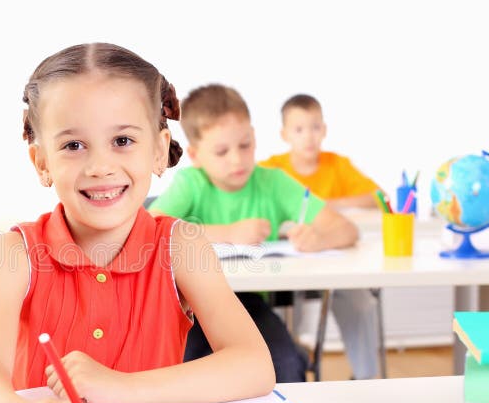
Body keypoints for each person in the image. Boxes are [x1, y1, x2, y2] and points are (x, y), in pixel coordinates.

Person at [0, 44, 275, 403]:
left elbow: (255, 365)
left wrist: (121, 388)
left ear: (160, 150)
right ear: (42, 162)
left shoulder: (181, 247)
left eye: (122, 140)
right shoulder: (13, 254)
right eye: (73, 146)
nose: (100, 166)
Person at [149, 84, 358, 383]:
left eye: (245, 145)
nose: (237, 159)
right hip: (189, 308)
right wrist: (227, 232)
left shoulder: (273, 182)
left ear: (255, 138)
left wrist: (320, 238)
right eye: (221, 151)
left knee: (285, 365)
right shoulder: (191, 183)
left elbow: (345, 228)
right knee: (184, 369)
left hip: (248, 305)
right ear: (195, 155)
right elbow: (148, 227)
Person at [260, 94, 382, 379]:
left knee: (360, 301)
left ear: (324, 130)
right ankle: (295, 350)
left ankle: (365, 378)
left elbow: (378, 197)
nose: (308, 137)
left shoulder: (337, 165)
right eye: (299, 129)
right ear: (284, 135)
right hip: (286, 267)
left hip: (332, 261)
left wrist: (330, 207)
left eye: (315, 127)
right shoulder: (271, 171)